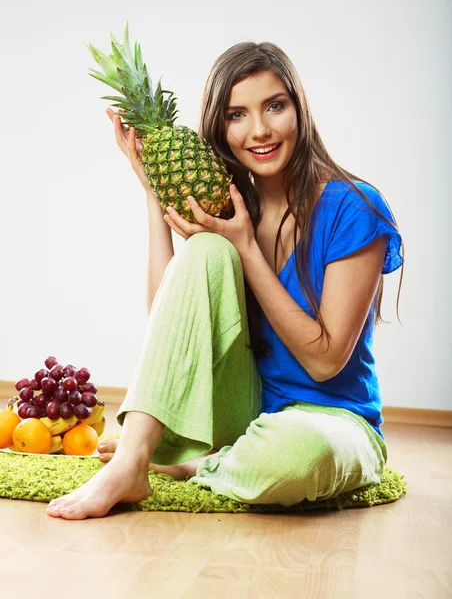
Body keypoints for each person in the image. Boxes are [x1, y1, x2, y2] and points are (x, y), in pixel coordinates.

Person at [46, 41, 404, 520]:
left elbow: (324, 361)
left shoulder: (353, 206)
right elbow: (168, 324)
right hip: (247, 412)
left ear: (299, 110)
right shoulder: (231, 214)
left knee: (292, 456)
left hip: (334, 422)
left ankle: (198, 466)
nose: (259, 130)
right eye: (237, 115)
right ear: (220, 127)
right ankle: (132, 463)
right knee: (207, 248)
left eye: (275, 106)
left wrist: (248, 250)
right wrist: (154, 193)